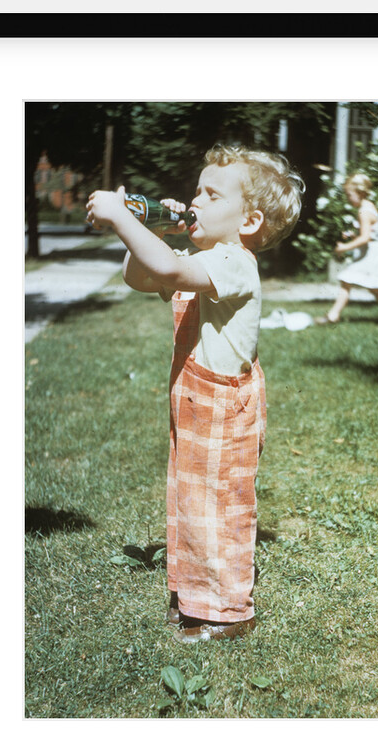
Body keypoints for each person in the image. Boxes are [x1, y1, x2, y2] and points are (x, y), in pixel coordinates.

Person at [86, 144, 305, 643]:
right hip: (194, 400)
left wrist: (122, 218)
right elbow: (142, 275)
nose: (196, 201)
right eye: (197, 190)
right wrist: (148, 228)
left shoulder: (234, 263)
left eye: (212, 194)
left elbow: (165, 271)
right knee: (190, 501)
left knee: (220, 505)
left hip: (223, 407)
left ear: (248, 221)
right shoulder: (203, 257)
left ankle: (230, 612)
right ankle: (192, 595)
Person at [316, 173, 378, 326]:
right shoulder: (369, 206)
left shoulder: (363, 212)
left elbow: (365, 237)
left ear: (360, 193)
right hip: (374, 252)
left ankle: (333, 315)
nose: (347, 198)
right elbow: (371, 232)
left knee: (348, 281)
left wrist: (344, 247)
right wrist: (352, 234)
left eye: (349, 195)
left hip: (370, 254)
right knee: (374, 288)